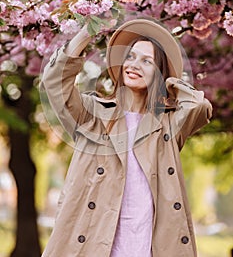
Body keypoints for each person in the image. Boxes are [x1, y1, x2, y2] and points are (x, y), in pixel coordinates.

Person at [40, 19, 212, 257]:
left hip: (149, 247)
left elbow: (199, 106)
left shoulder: (168, 125)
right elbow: (55, 82)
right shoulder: (93, 114)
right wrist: (86, 32)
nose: (134, 65)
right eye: (130, 57)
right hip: (95, 244)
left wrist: (170, 83)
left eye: (146, 61)